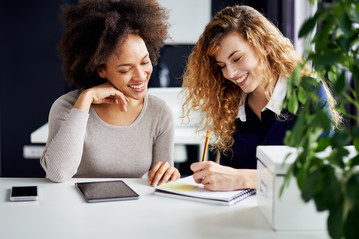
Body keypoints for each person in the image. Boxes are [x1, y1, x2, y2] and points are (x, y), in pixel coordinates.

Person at [181, 5, 341, 191]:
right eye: (222, 65)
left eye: (237, 58)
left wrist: (242, 178)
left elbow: (320, 172)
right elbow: (229, 177)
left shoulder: (309, 93)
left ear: (264, 46)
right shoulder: (230, 106)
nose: (230, 73)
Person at [40, 0, 180, 186]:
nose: (140, 76)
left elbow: (162, 184)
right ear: (101, 70)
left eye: (145, 62)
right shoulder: (66, 107)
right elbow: (58, 173)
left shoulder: (159, 112)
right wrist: (85, 99)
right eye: (125, 70)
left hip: (131, 209)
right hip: (76, 210)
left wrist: (169, 175)